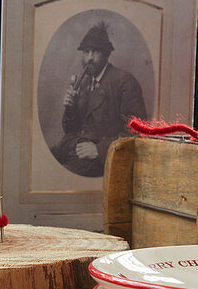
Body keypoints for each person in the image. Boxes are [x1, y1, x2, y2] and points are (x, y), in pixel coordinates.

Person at [54, 23, 147, 177]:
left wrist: (100, 150)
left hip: (101, 158)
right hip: (75, 147)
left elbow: (138, 132)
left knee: (59, 177)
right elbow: (72, 129)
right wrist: (70, 109)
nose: (89, 58)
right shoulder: (85, 83)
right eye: (86, 52)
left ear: (106, 54)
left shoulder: (124, 81)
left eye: (95, 52)